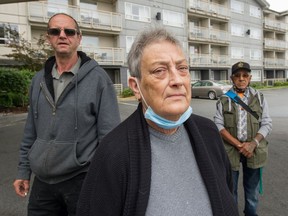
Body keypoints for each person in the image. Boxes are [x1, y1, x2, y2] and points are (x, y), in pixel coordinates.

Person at [77, 27, 239, 216]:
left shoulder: (209, 132)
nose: (177, 80)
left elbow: (227, 192)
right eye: (160, 70)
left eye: (182, 68)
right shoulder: (113, 153)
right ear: (136, 87)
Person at [13, 13, 121, 216]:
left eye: (69, 31)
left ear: (79, 38)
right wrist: (23, 171)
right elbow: (31, 131)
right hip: (42, 184)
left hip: (81, 180)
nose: (62, 35)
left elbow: (109, 137)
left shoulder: (98, 80)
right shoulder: (38, 81)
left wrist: (104, 180)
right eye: (55, 31)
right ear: (48, 38)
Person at [214, 61, 272, 216]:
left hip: (254, 150)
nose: (241, 78)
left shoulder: (259, 97)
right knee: (230, 190)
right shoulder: (225, 99)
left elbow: (266, 124)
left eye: (245, 75)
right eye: (237, 75)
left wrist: (253, 144)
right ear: (232, 78)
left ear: (250, 78)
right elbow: (218, 125)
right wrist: (239, 145)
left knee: (251, 192)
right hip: (231, 150)